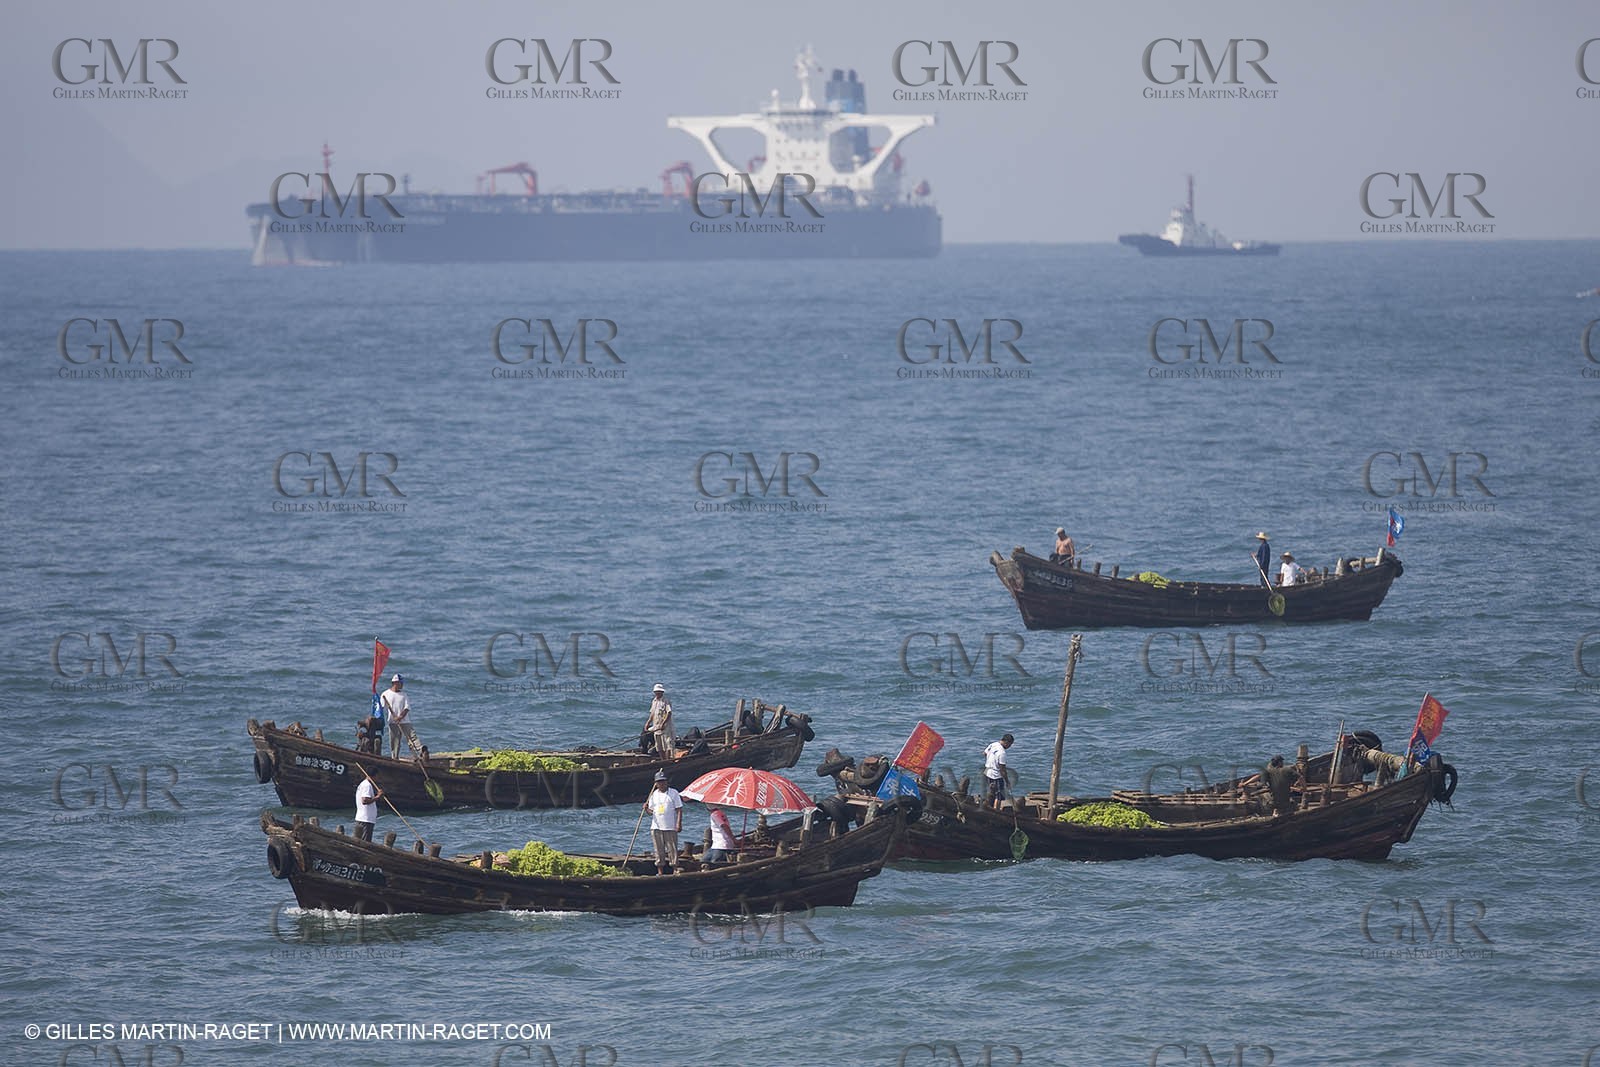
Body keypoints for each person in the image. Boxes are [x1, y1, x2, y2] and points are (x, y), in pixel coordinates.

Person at [646, 770, 683, 875]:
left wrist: (678, 823)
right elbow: (650, 812)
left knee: (672, 849)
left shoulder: (673, 793)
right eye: (659, 782)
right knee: (658, 850)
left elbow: (679, 809)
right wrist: (646, 809)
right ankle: (660, 870)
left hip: (670, 826)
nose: (661, 784)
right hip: (656, 827)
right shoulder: (654, 794)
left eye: (663, 781)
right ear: (656, 784)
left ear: (667, 782)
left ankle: (675, 868)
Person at [381, 674, 420, 760]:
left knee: (412, 738)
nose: (402, 685)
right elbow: (381, 708)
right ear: (395, 683)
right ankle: (395, 758)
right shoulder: (385, 694)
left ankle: (420, 754)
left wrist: (400, 717)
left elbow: (407, 708)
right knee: (395, 741)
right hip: (393, 722)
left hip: (405, 721)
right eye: (400, 683)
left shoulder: (404, 695)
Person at [645, 683, 676, 758]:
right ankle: (662, 760)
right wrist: (648, 723)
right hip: (656, 727)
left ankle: (668, 760)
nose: (657, 693)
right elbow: (652, 714)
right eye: (656, 691)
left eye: (659, 691)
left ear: (662, 692)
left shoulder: (666, 701)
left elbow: (669, 713)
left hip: (665, 728)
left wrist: (663, 724)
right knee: (659, 746)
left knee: (667, 745)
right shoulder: (654, 701)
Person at [984, 733, 1014, 809]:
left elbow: (984, 753)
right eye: (1009, 745)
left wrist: (991, 761)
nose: (1009, 747)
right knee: (999, 796)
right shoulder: (1002, 753)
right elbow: (1002, 770)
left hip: (988, 772)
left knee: (991, 791)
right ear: (1006, 742)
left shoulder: (993, 744)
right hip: (996, 776)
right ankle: (996, 810)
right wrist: (1007, 782)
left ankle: (989, 806)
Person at [354, 772, 382, 841]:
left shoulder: (363, 784)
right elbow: (365, 801)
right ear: (374, 776)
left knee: (360, 840)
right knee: (365, 842)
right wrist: (378, 796)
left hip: (364, 818)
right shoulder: (367, 785)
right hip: (366, 819)